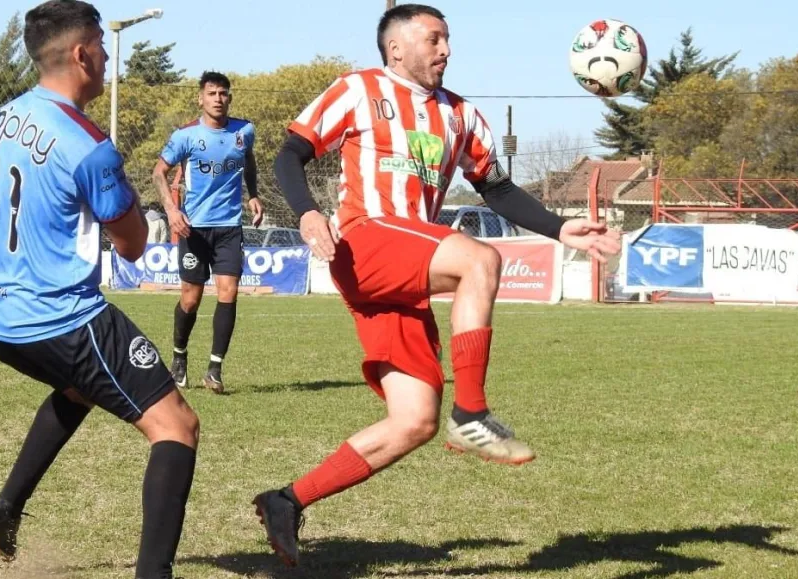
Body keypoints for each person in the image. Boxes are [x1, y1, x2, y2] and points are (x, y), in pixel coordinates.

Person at [254, 3, 622, 567]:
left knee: (414, 421)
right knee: (481, 260)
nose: (445, 49)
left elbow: (497, 189)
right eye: (434, 39)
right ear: (396, 47)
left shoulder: (460, 115)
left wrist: (558, 227)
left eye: (447, 39)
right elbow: (290, 155)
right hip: (366, 239)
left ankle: (286, 501)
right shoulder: (358, 88)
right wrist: (306, 213)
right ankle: (471, 413)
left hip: (403, 271)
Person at [0, 2, 199, 577]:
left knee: (80, 388)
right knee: (176, 426)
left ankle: (5, 508)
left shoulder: (5, 117)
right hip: (62, 317)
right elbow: (132, 245)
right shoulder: (88, 143)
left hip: (0, 322)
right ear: (82, 54)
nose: (107, 57)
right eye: (102, 45)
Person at [151, 71, 263, 393]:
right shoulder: (185, 136)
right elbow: (159, 172)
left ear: (230, 98)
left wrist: (253, 194)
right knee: (190, 299)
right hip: (194, 228)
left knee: (229, 292)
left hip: (229, 227)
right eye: (211, 93)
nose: (218, 99)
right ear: (200, 98)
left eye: (223, 93)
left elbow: (249, 161)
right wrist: (172, 211)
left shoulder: (244, 131)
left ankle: (214, 369)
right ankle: (179, 357)